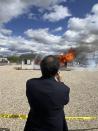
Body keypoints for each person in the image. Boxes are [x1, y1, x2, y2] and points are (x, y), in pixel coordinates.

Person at [24, 55, 70, 131]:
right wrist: (60, 82)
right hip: (54, 126)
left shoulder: (30, 83)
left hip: (34, 125)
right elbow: (65, 101)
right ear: (57, 71)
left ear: (41, 68)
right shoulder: (64, 89)